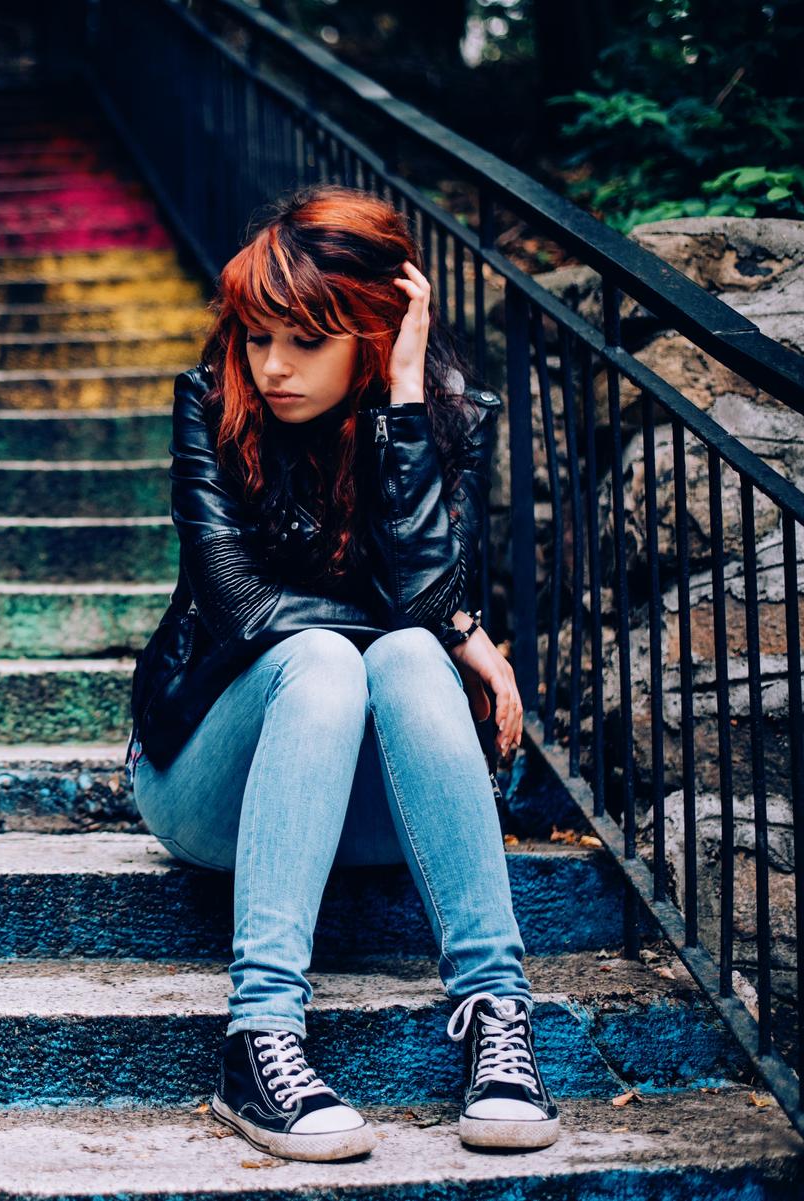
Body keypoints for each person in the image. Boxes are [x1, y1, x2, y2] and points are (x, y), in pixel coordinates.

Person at [126, 183, 559, 1161]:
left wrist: (403, 407)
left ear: (373, 332)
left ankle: (499, 1017)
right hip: (208, 781)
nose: (271, 366)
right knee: (336, 653)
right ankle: (259, 1037)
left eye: (306, 341)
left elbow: (421, 600)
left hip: (383, 803)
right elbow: (241, 608)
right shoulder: (211, 405)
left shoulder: (440, 420)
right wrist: (456, 627)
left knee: (406, 654)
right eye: (256, 336)